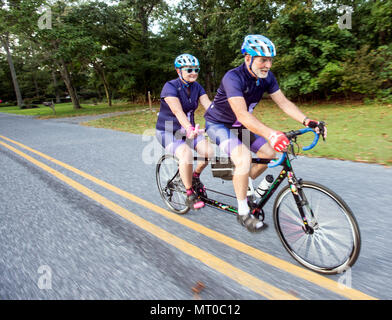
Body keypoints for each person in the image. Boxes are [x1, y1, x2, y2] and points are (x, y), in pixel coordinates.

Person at [204, 35, 327, 232]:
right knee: (244, 157)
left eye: (270, 60)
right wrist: (271, 134)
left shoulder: (267, 77)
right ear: (248, 59)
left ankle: (242, 180)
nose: (268, 65)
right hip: (218, 124)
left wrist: (307, 121)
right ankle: (243, 212)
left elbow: (284, 103)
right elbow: (243, 115)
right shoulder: (233, 77)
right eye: (263, 59)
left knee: (269, 153)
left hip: (239, 125)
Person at [156, 54, 214, 210]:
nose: (193, 72)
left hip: (191, 131)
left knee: (209, 152)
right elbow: (177, 111)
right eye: (189, 70)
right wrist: (189, 128)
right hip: (168, 131)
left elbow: (208, 105)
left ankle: (194, 176)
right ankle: (189, 194)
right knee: (186, 154)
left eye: (196, 69)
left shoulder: (197, 87)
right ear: (178, 71)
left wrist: (225, 118)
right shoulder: (170, 87)